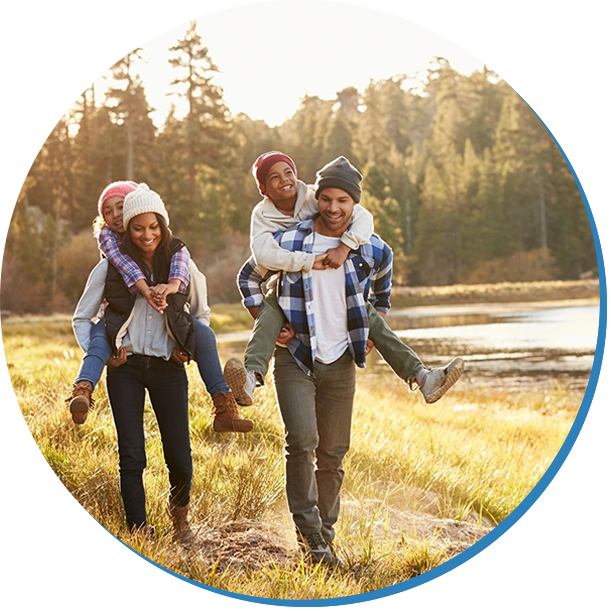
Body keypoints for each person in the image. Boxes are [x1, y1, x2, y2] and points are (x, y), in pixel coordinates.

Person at [237, 163, 464, 566]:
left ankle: (323, 539)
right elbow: (248, 274)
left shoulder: (370, 246)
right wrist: (264, 316)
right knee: (302, 441)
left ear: (355, 204)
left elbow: (384, 283)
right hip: (297, 357)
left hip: (341, 359)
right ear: (316, 198)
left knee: (334, 454)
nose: (333, 207)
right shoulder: (290, 240)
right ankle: (310, 535)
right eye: (325, 198)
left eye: (342, 200)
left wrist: (369, 326)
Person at [225, 153, 463, 407]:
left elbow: (363, 218)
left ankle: (423, 377)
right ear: (263, 189)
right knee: (271, 309)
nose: (285, 180)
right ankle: (250, 377)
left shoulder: (317, 198)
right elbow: (258, 260)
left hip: (336, 285)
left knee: (365, 311)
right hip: (287, 288)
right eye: (274, 177)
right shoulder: (265, 220)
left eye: (288, 172)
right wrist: (270, 319)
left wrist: (345, 247)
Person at [67, 180, 252, 434]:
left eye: (120, 207)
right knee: (99, 341)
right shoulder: (111, 249)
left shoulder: (174, 250)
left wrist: (185, 342)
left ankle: (223, 405)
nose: (115, 216)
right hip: (116, 322)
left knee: (205, 335)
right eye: (107, 212)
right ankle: (83, 390)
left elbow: (195, 294)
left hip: (166, 344)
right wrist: (146, 290)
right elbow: (123, 268)